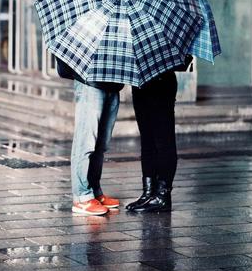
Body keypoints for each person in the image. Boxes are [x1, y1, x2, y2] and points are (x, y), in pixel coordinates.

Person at [126, 55, 192, 213]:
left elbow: (185, 59)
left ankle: (162, 195)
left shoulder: (167, 31)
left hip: (162, 81)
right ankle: (148, 193)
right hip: (140, 81)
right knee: (147, 140)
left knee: (163, 140)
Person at [57, 58, 123, 216]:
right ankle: (82, 197)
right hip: (90, 82)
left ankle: (94, 191)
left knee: (102, 143)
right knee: (86, 141)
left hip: (113, 81)